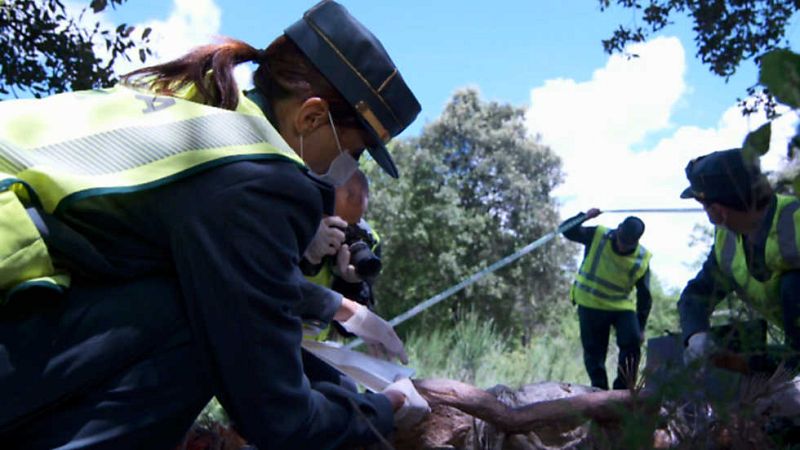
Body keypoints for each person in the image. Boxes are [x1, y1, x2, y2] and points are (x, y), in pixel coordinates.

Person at [0, 1, 429, 449]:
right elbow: (277, 414)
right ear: (312, 117)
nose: (347, 169)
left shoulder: (194, 117)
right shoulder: (257, 181)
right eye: (355, 152)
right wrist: (384, 410)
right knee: (193, 322)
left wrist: (336, 307)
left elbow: (243, 292)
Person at [678, 148, 800, 367]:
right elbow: (696, 295)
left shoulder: (795, 222)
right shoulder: (727, 242)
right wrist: (696, 336)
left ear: (717, 211)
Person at [561, 209, 653, 390]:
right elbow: (566, 230)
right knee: (594, 353)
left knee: (632, 343)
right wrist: (584, 217)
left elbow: (644, 295)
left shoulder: (642, 257)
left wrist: (641, 327)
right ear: (618, 230)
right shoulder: (598, 235)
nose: (623, 247)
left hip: (620, 306)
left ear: (636, 241)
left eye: (628, 244)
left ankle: (624, 390)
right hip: (590, 303)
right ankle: (599, 390)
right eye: (621, 241)